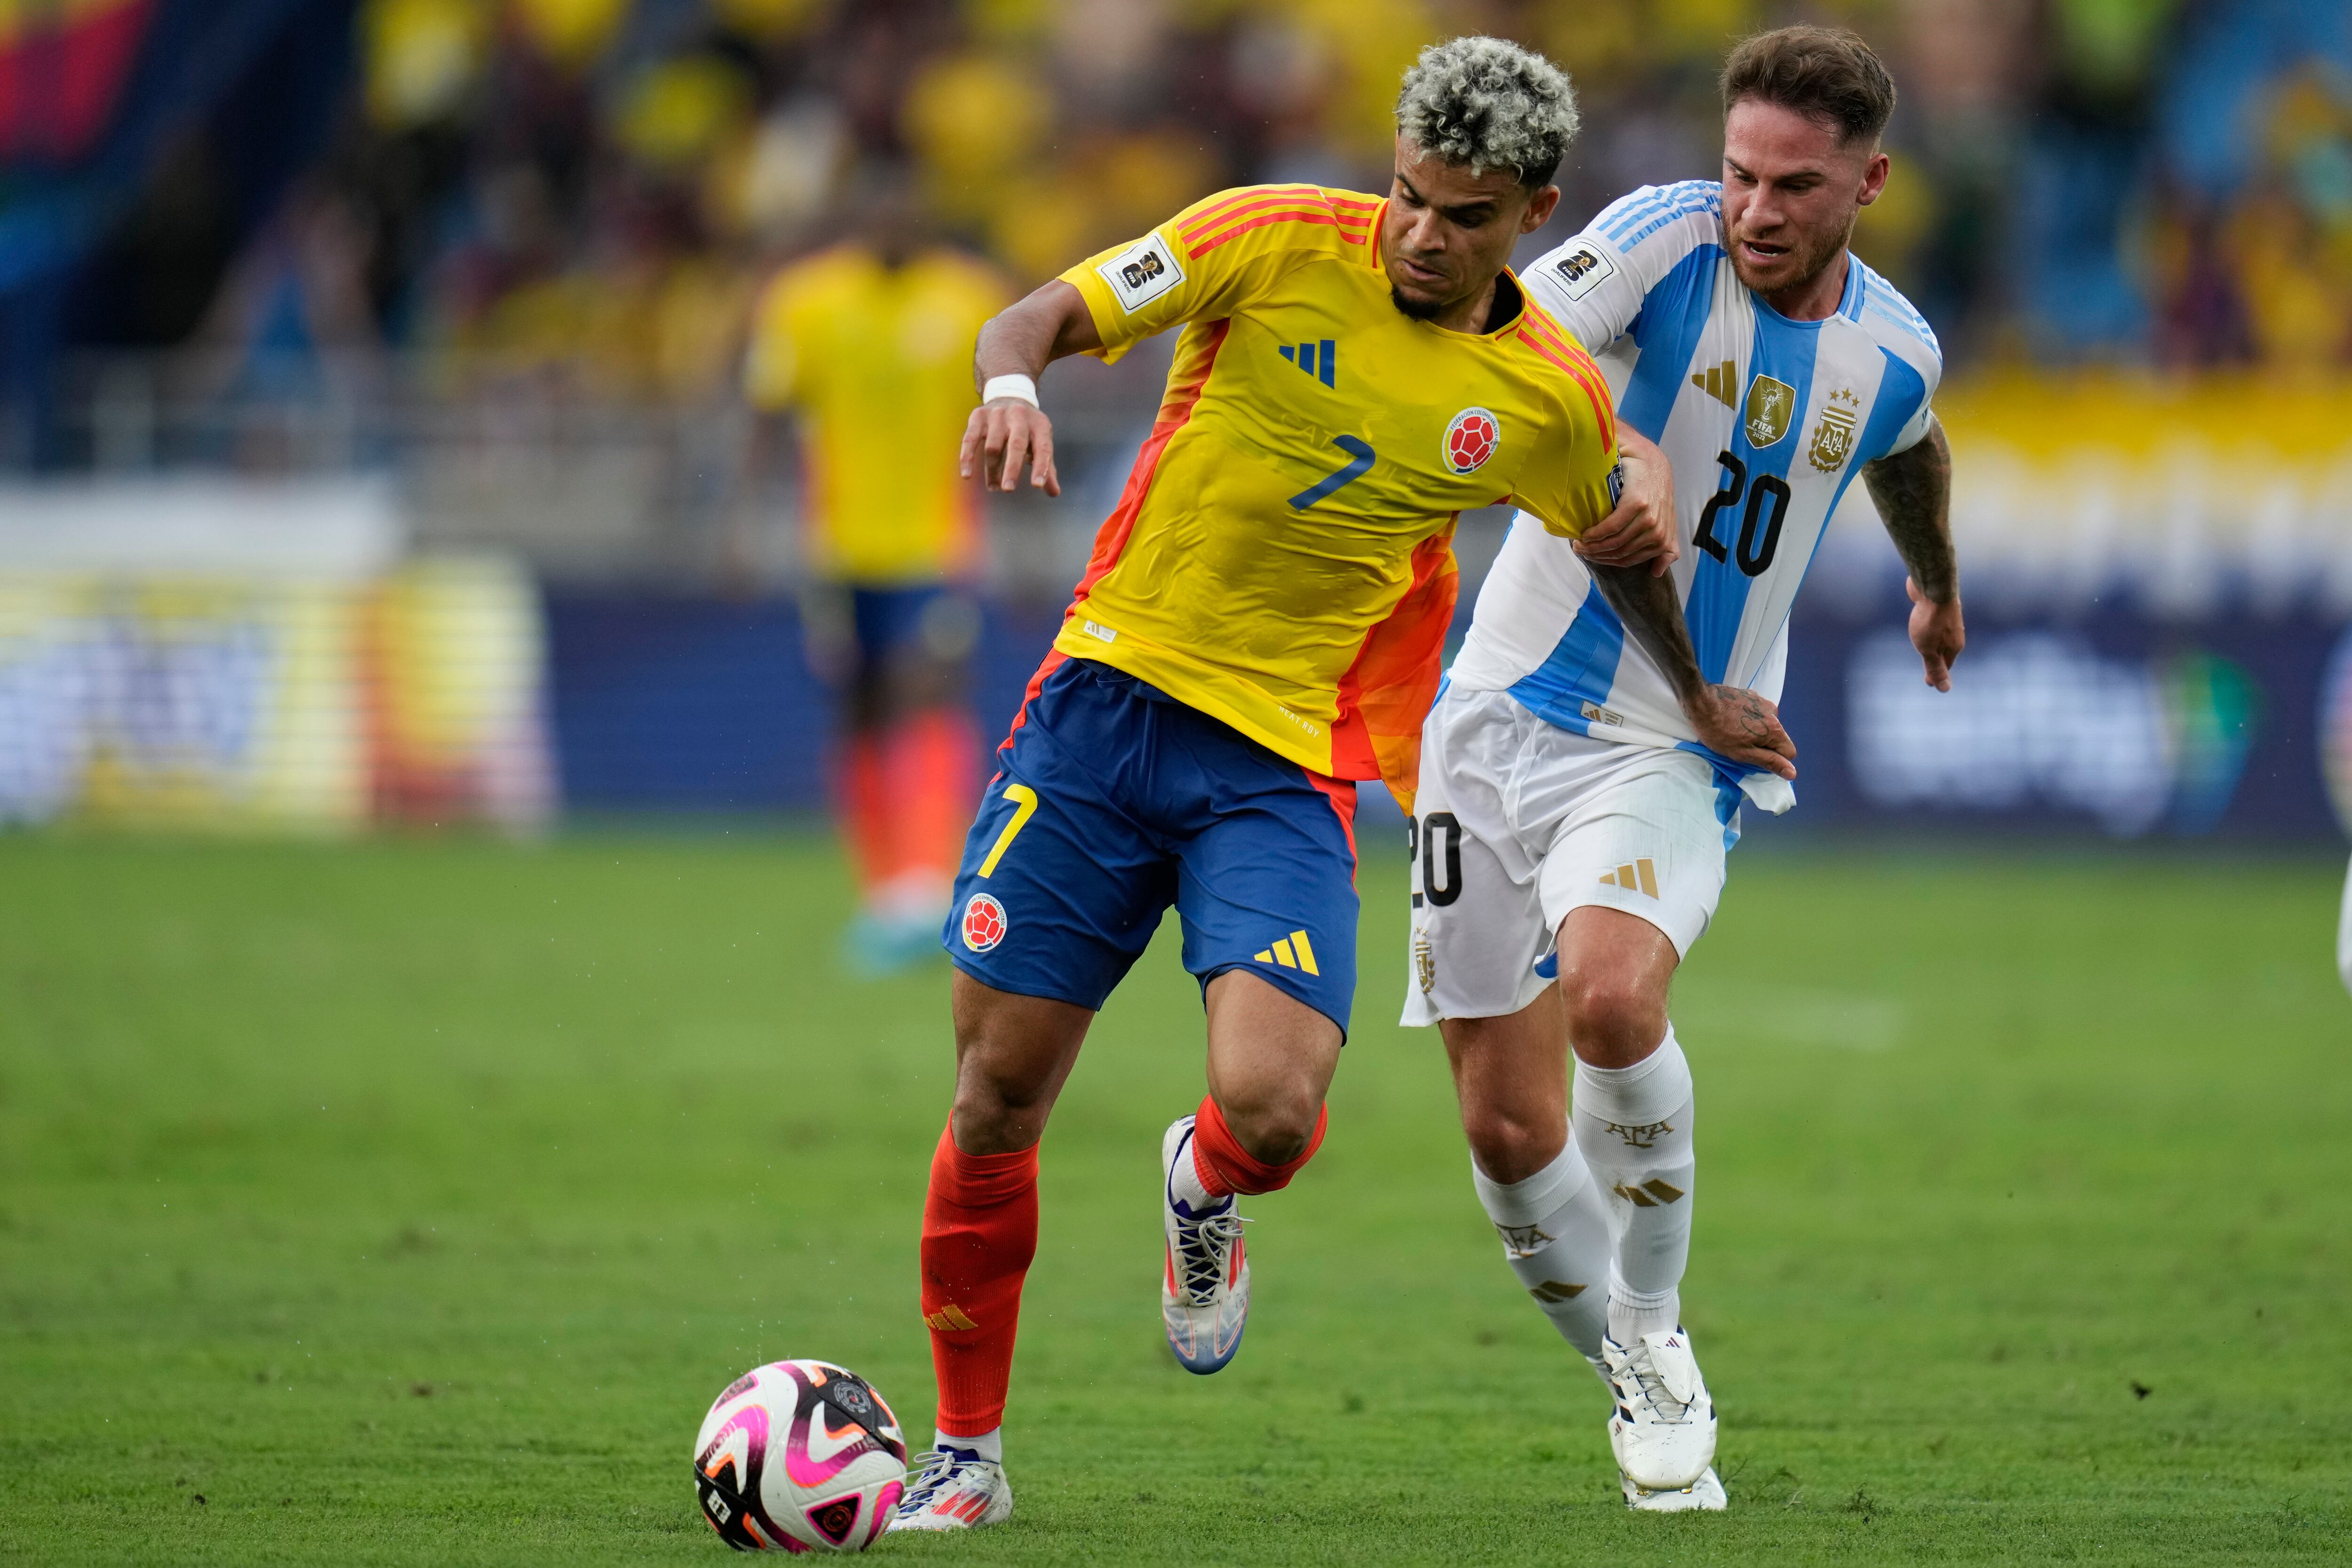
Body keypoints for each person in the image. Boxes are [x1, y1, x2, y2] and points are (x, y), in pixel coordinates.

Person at [890, 37, 1704, 1533]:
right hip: (1102, 712)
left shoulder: (1543, 396)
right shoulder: (1266, 236)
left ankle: (1199, 1187)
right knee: (997, 1094)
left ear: (1532, 210)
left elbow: (1620, 544)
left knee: (1271, 1110)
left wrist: (1704, 695)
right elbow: (1046, 311)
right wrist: (1007, 374)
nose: (1417, 231)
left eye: (1461, 214)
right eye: (1407, 192)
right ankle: (967, 1454)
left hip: (1283, 761)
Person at [1401, 25, 1963, 1513]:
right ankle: (1625, 1356)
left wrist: (1934, 582)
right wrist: (1617, 453)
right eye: (1739, 173)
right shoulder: (1659, 242)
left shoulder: (1897, 350)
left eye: (1794, 185)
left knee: (1612, 994)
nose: (1757, 209)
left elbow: (1909, 444)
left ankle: (1654, 1325)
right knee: (1507, 1131)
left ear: (1869, 182)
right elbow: (1523, 337)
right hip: (1495, 712)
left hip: (1681, 741)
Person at [742, 179, 1009, 972]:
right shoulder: (806, 301)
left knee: (924, 688)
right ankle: (882, 887)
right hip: (837, 545)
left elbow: (1011, 408)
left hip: (938, 543)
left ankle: (928, 881)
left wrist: (1021, 519)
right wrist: (736, 521)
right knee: (858, 709)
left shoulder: (970, 299)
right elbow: (768, 409)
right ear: (860, 225)